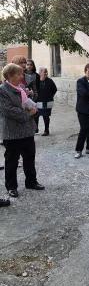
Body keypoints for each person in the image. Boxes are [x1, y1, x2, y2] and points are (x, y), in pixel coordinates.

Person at [0, 63, 45, 204]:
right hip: (12, 133)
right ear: (10, 76)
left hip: (27, 130)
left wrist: (32, 106)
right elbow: (9, 110)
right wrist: (30, 113)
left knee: (29, 158)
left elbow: (25, 103)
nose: (22, 76)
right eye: (19, 74)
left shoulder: (21, 88)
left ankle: (31, 181)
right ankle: (11, 187)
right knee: (12, 161)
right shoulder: (2, 90)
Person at [32, 66, 57, 136]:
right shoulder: (36, 81)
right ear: (39, 73)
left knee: (45, 116)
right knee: (36, 115)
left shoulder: (50, 81)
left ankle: (46, 130)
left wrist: (50, 96)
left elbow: (55, 89)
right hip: (38, 101)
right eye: (44, 72)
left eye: (46, 72)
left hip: (47, 101)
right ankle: (36, 129)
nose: (46, 73)